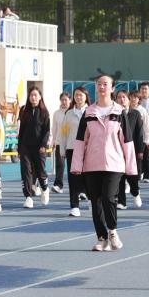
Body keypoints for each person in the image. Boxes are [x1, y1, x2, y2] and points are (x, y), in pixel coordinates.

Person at [70, 75, 136, 251]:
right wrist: (76, 165)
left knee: (108, 197)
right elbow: (80, 141)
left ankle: (112, 231)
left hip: (114, 164)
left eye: (105, 84)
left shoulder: (119, 112)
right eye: (99, 84)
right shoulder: (88, 112)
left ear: (112, 88)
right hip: (92, 164)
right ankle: (101, 238)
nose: (101, 87)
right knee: (96, 202)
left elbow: (127, 141)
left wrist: (131, 167)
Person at [17, 87, 50, 209]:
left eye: (36, 95)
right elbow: (21, 130)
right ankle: (28, 197)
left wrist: (43, 145)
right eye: (31, 95)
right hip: (25, 146)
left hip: (39, 147)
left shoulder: (44, 112)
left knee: (40, 171)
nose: (33, 97)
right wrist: (19, 148)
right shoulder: (24, 110)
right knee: (25, 171)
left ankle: (45, 189)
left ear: (40, 97)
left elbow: (46, 130)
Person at [115, 90, 145, 209]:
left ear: (129, 100)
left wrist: (140, 150)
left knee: (132, 176)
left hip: (132, 149)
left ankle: (135, 192)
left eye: (124, 97)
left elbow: (139, 133)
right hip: (117, 150)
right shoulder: (114, 114)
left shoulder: (135, 114)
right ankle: (122, 202)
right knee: (120, 176)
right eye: (119, 97)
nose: (122, 100)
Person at [64, 87, 89, 216]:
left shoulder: (92, 111)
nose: (78, 97)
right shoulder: (69, 114)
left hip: (88, 149)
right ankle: (74, 206)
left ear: (86, 96)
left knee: (88, 176)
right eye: (76, 95)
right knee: (73, 178)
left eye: (81, 95)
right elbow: (64, 132)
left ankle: (89, 196)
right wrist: (62, 148)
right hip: (72, 149)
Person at [51, 92, 71, 194]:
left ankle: (77, 188)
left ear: (70, 100)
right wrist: (53, 140)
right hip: (60, 143)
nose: (64, 102)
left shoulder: (73, 112)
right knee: (59, 165)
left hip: (71, 143)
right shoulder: (56, 113)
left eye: (65, 100)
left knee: (73, 167)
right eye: (62, 100)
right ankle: (58, 185)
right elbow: (54, 128)